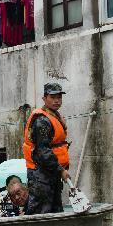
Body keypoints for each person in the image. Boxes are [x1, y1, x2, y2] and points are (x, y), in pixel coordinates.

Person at [22, 82, 71, 214]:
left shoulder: (55, 116)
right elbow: (43, 152)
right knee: (41, 211)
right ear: (44, 98)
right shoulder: (42, 120)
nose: (56, 100)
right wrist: (61, 170)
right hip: (40, 174)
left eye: (59, 97)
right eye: (53, 97)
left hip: (51, 172)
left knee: (55, 209)